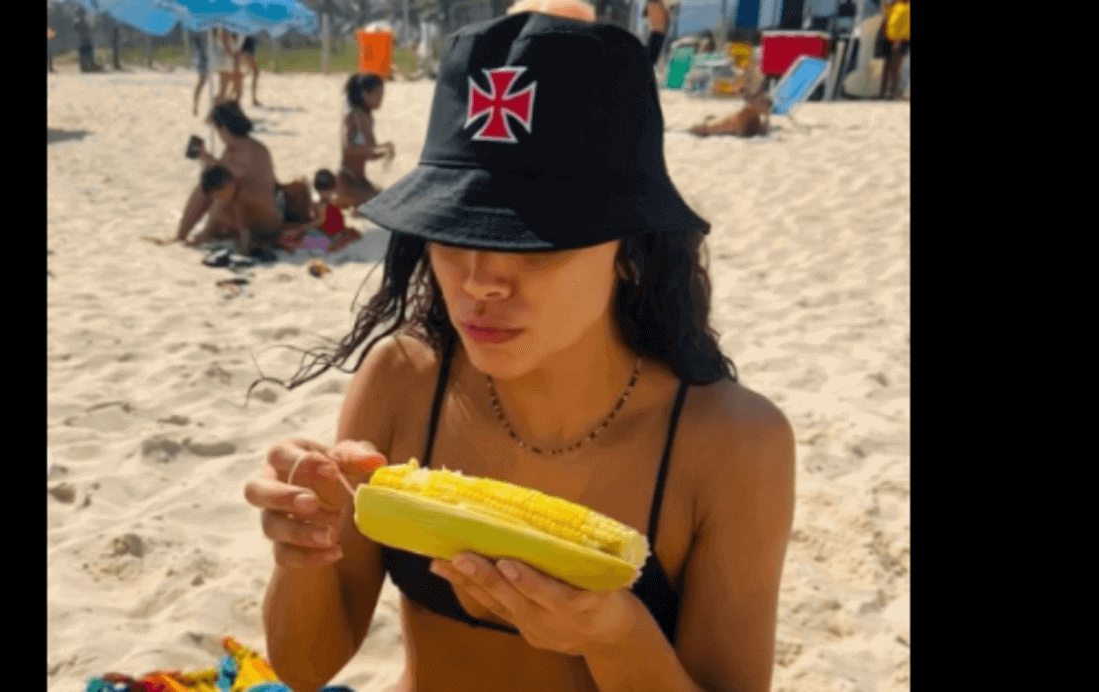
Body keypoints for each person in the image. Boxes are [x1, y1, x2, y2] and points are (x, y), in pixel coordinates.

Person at [242, 10, 795, 692]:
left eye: (534, 242)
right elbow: (304, 667)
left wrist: (615, 637)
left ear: (629, 247)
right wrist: (303, 551)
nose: (479, 283)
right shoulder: (405, 379)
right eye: (452, 233)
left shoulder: (731, 443)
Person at [173, 101, 304, 253]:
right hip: (256, 217)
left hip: (260, 224)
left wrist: (206, 156)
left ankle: (185, 235)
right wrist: (207, 159)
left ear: (223, 129)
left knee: (215, 190)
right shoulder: (252, 147)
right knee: (215, 188)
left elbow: (226, 178)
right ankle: (185, 236)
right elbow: (225, 173)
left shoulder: (246, 151)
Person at [333, 73, 394, 215]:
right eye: (378, 95)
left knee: (386, 198)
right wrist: (379, 149)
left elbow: (368, 154)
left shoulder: (368, 118)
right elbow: (349, 149)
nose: (381, 100)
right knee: (376, 204)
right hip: (348, 180)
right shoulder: (353, 116)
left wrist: (384, 151)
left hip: (360, 180)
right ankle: (344, 198)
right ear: (365, 95)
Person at [280, 169, 363, 254]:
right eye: (323, 190)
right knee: (310, 240)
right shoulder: (322, 205)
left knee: (308, 239)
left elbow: (319, 221)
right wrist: (304, 228)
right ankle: (293, 245)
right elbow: (319, 222)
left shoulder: (326, 203)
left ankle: (294, 244)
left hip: (330, 235)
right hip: (328, 236)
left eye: (327, 190)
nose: (325, 193)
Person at [687, 88, 773, 138]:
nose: (766, 105)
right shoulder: (748, 115)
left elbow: (759, 130)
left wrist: (766, 118)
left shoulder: (753, 114)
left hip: (716, 125)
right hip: (708, 129)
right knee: (703, 128)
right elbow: (745, 132)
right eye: (762, 102)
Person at [878, 0, 910, 100]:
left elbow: (906, 25)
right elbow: (886, 22)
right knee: (886, 67)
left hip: (902, 40)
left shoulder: (906, 7)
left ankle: (893, 92)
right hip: (888, 39)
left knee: (895, 67)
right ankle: (883, 92)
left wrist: (899, 40)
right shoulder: (890, 6)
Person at [237, 33, 263, 107]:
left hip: (245, 50)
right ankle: (253, 99)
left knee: (238, 75)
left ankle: (232, 96)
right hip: (246, 50)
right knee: (255, 72)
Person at [191, 31, 209, 117]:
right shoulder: (202, 29)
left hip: (209, 57)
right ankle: (195, 105)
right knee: (202, 82)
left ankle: (195, 106)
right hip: (204, 59)